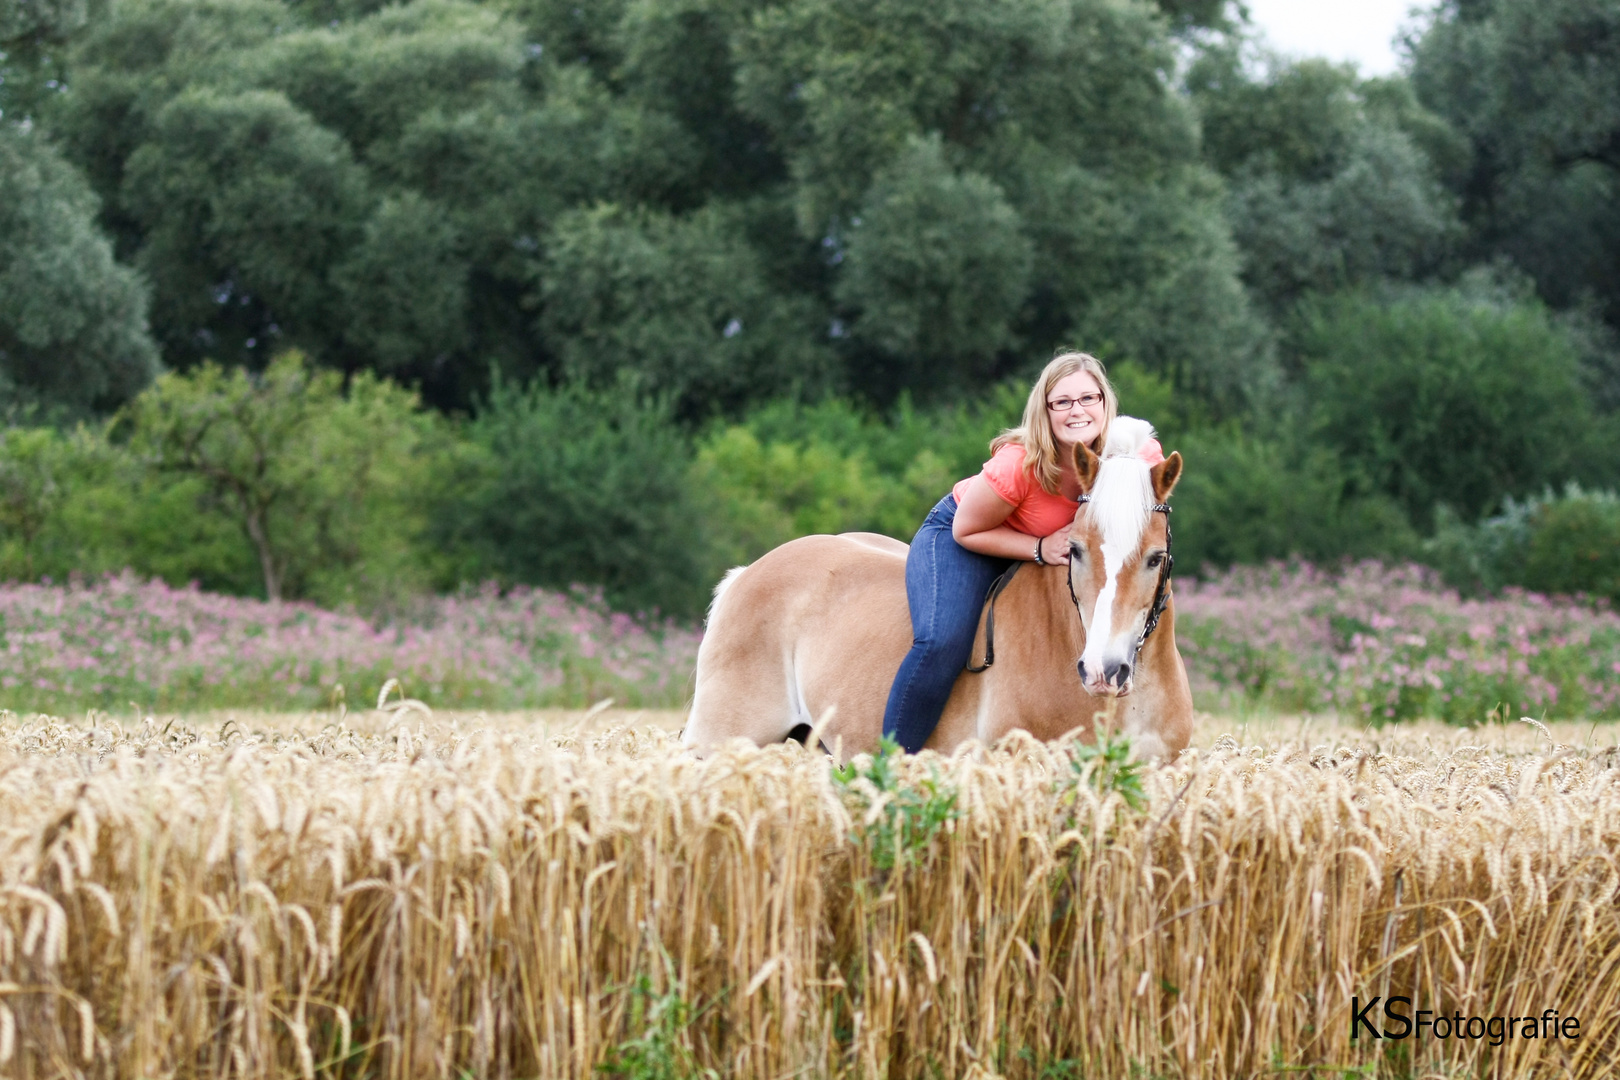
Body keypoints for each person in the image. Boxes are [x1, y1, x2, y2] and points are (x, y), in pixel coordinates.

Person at [880, 351, 1163, 753]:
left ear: (1105, 403)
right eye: (1061, 402)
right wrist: (1040, 547)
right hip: (969, 536)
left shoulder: (1134, 460)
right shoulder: (1019, 463)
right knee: (941, 641)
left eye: (1087, 399)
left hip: (1058, 547)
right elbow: (967, 529)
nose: (1076, 411)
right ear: (1044, 411)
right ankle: (890, 762)